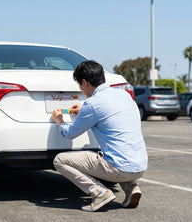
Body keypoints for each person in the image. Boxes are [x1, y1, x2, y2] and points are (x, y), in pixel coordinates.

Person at [52, 60, 148, 212]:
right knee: (117, 152)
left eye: (79, 85)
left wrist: (60, 121)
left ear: (84, 82)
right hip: (140, 166)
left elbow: (70, 134)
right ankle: (131, 187)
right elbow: (107, 111)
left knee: (60, 160)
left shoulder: (93, 104)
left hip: (118, 169)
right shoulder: (124, 95)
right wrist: (84, 109)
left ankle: (100, 193)